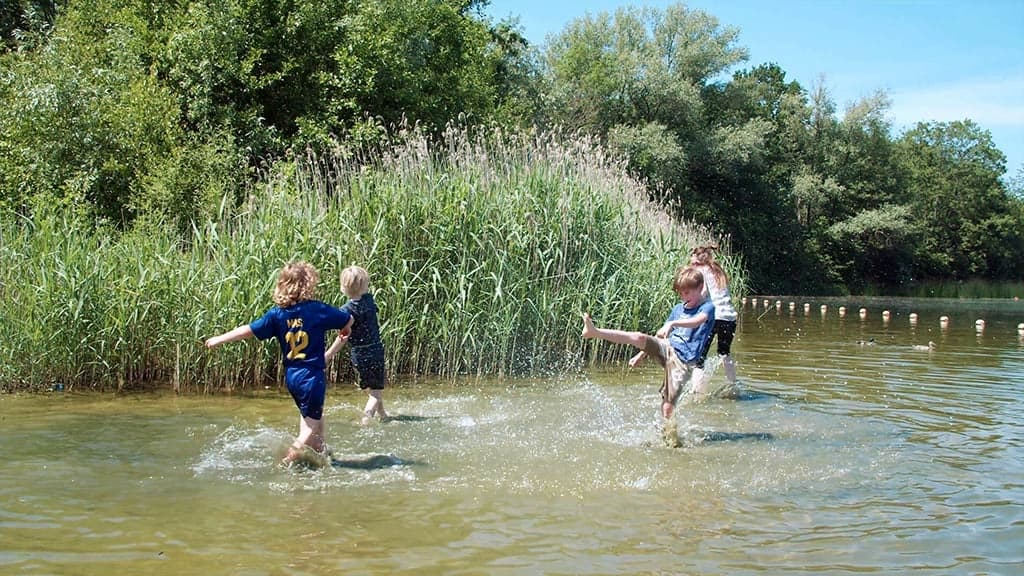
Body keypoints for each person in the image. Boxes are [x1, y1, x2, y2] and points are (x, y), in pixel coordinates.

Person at [205, 261, 353, 465]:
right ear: (308, 284)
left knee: (315, 423)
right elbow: (348, 319)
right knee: (310, 429)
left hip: (293, 377)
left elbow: (248, 330)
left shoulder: (277, 315)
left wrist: (219, 339)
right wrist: (345, 330)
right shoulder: (317, 309)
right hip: (311, 377)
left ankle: (322, 459)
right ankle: (287, 461)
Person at [581, 266, 715, 421]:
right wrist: (640, 355)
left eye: (687, 293)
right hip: (668, 347)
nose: (684, 297)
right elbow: (660, 336)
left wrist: (672, 324)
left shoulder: (707, 307)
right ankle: (595, 332)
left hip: (683, 362)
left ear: (700, 287)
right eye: (681, 293)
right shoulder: (678, 309)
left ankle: (669, 430)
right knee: (639, 338)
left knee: (668, 407)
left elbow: (697, 321)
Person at [326, 265, 389, 425]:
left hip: (359, 355)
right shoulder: (369, 300)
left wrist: (329, 354)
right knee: (375, 393)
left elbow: (343, 337)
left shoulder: (346, 311)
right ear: (365, 286)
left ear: (343, 288)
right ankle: (366, 421)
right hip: (375, 351)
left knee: (374, 388)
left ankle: (383, 416)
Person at [689, 244, 739, 392]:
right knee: (725, 353)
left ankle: (696, 392)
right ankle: (733, 385)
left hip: (713, 317)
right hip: (729, 317)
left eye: (693, 263)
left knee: (699, 358)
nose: (691, 266)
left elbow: (704, 293)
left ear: (698, 261)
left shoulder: (701, 272)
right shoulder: (718, 271)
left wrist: (691, 304)